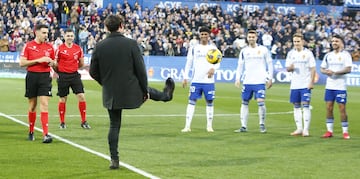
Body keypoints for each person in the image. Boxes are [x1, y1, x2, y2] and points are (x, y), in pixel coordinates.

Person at [89, 14, 175, 170]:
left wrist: (105, 83)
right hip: (131, 92)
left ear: (106, 28)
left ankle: (114, 159)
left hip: (111, 93)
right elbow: (141, 70)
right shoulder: (131, 44)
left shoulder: (99, 46)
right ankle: (165, 96)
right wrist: (144, 90)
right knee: (147, 89)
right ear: (121, 26)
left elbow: (93, 72)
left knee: (114, 125)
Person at [19, 24, 56, 143]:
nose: (46, 35)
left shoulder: (50, 47)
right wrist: (38, 60)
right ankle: (31, 131)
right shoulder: (29, 46)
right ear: (37, 33)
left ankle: (46, 134)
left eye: (47, 33)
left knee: (44, 104)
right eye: (44, 33)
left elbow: (54, 62)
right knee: (32, 105)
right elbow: (22, 63)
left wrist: (52, 63)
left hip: (45, 77)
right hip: (32, 77)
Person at [181, 26, 220, 133]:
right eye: (202, 34)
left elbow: (218, 62)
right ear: (199, 35)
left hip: (208, 81)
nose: (203, 36)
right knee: (191, 101)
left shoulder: (213, 49)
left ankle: (209, 126)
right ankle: (187, 126)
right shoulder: (194, 48)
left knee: (210, 101)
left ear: (209, 36)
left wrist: (213, 68)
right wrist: (185, 77)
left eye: (205, 34)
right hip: (196, 80)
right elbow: (188, 63)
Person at [234, 30, 273, 133]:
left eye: (253, 37)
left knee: (260, 102)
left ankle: (262, 124)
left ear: (256, 38)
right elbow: (240, 66)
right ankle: (243, 126)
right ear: (247, 38)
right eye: (249, 37)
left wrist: (270, 78)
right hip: (247, 81)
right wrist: (237, 78)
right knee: (244, 102)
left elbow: (270, 64)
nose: (251, 38)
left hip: (260, 80)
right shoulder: (244, 51)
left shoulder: (263, 50)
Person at [54, 29, 90, 129]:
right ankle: (62, 122)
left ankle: (84, 121)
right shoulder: (59, 49)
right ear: (64, 37)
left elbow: (81, 63)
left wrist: (73, 68)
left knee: (81, 96)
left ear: (73, 37)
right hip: (63, 76)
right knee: (63, 99)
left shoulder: (78, 49)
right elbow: (55, 63)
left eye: (71, 36)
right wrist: (61, 71)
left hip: (74, 75)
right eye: (68, 35)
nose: (69, 37)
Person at [320, 34, 352, 140]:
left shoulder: (346, 55)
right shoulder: (328, 55)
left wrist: (335, 72)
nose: (334, 43)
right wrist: (327, 72)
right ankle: (329, 131)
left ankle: (345, 132)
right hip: (329, 86)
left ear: (341, 43)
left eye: (336, 41)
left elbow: (348, 69)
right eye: (333, 41)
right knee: (329, 108)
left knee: (342, 109)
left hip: (340, 86)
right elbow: (322, 69)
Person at [285, 33, 316, 137]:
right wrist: (291, 68)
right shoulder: (290, 54)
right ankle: (299, 128)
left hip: (305, 83)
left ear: (302, 41)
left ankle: (306, 130)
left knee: (306, 105)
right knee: (296, 106)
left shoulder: (308, 53)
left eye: (298, 41)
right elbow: (287, 68)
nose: (296, 43)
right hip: (294, 84)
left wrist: (311, 82)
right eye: (294, 42)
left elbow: (312, 68)